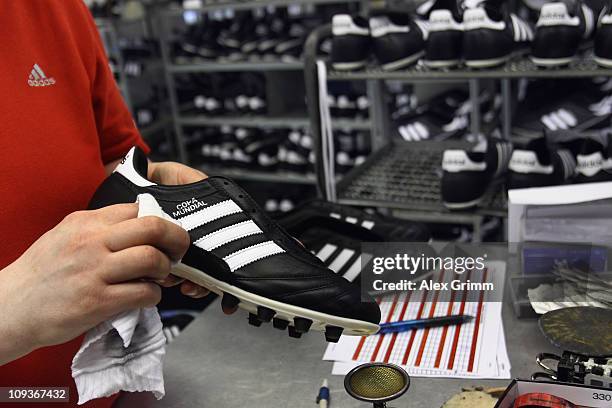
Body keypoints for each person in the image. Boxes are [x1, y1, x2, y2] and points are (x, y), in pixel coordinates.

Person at [0, 1, 234, 406]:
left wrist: (155, 196)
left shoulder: (57, 8)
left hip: (110, 389)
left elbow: (112, 157)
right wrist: (12, 307)